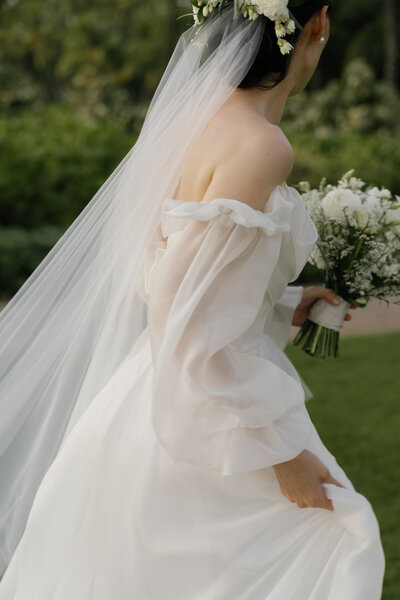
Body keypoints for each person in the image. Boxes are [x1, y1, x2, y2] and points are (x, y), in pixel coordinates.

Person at [0, 1, 385, 598]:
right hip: (203, 422)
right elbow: (188, 324)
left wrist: (285, 300)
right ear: (320, 26)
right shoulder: (262, 146)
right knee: (333, 538)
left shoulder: (190, 127)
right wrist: (281, 453)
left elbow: (166, 278)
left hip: (141, 401)